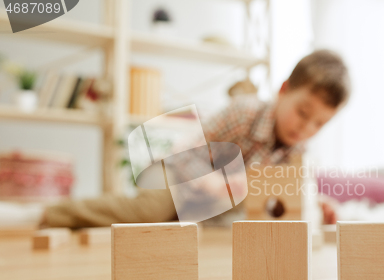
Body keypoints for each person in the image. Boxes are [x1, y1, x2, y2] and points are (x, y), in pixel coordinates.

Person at [39, 49, 350, 228]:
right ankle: (51, 213)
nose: (305, 127)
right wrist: (209, 182)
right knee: (149, 212)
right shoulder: (244, 112)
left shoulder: (299, 151)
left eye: (319, 123)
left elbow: (287, 192)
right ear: (283, 91)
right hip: (177, 173)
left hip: (212, 202)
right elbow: (185, 149)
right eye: (302, 112)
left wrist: (315, 203)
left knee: (210, 230)